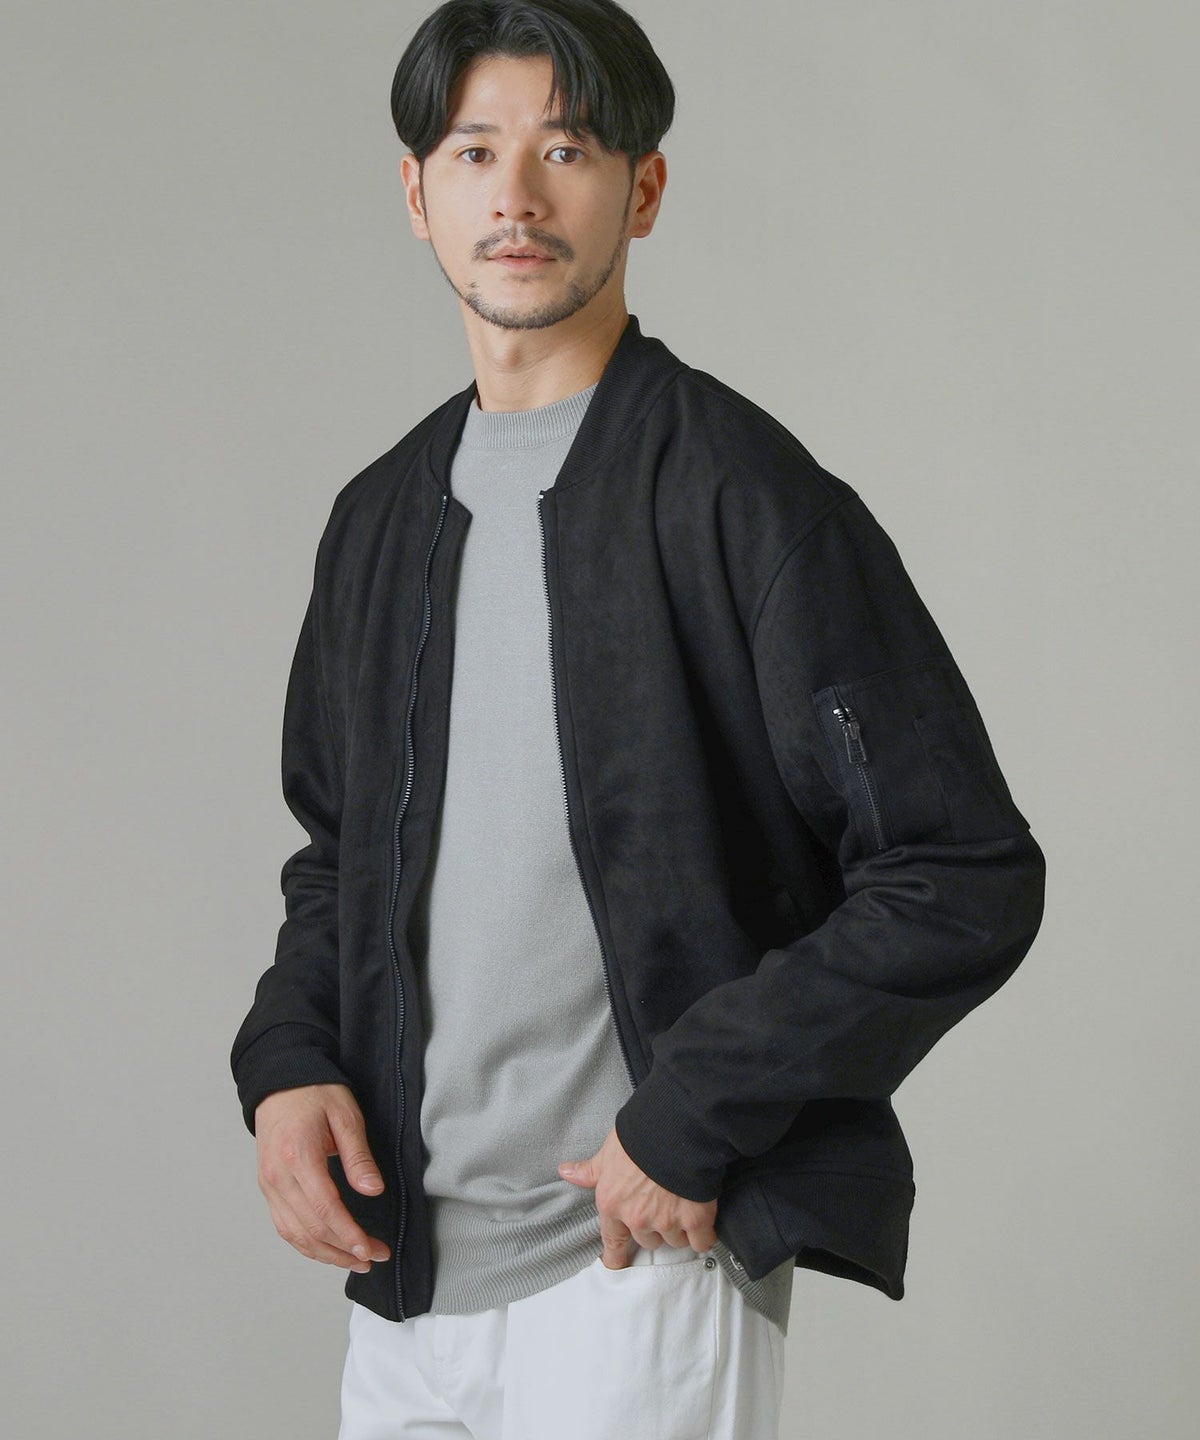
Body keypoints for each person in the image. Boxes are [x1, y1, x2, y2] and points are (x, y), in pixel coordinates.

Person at [230, 2, 1046, 1435]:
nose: (518, 195)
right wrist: (287, 1063)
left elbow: (958, 870)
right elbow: (339, 856)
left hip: (637, 1270)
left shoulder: (744, 496)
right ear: (416, 192)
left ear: (644, 188)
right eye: (475, 151)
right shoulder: (378, 521)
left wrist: (692, 1116)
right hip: (407, 1283)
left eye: (568, 149)